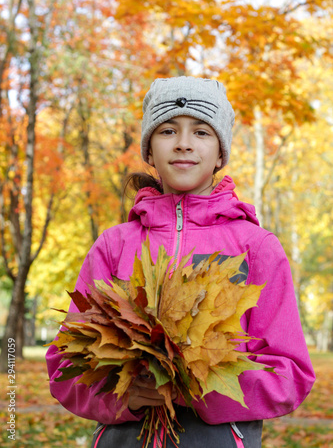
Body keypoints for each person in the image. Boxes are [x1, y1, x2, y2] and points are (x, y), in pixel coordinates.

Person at [46, 76, 315, 448]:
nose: (184, 143)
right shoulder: (114, 245)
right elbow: (64, 367)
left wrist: (201, 386)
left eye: (202, 132)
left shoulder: (255, 247)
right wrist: (123, 396)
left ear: (221, 153)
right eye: (168, 130)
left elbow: (291, 374)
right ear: (149, 151)